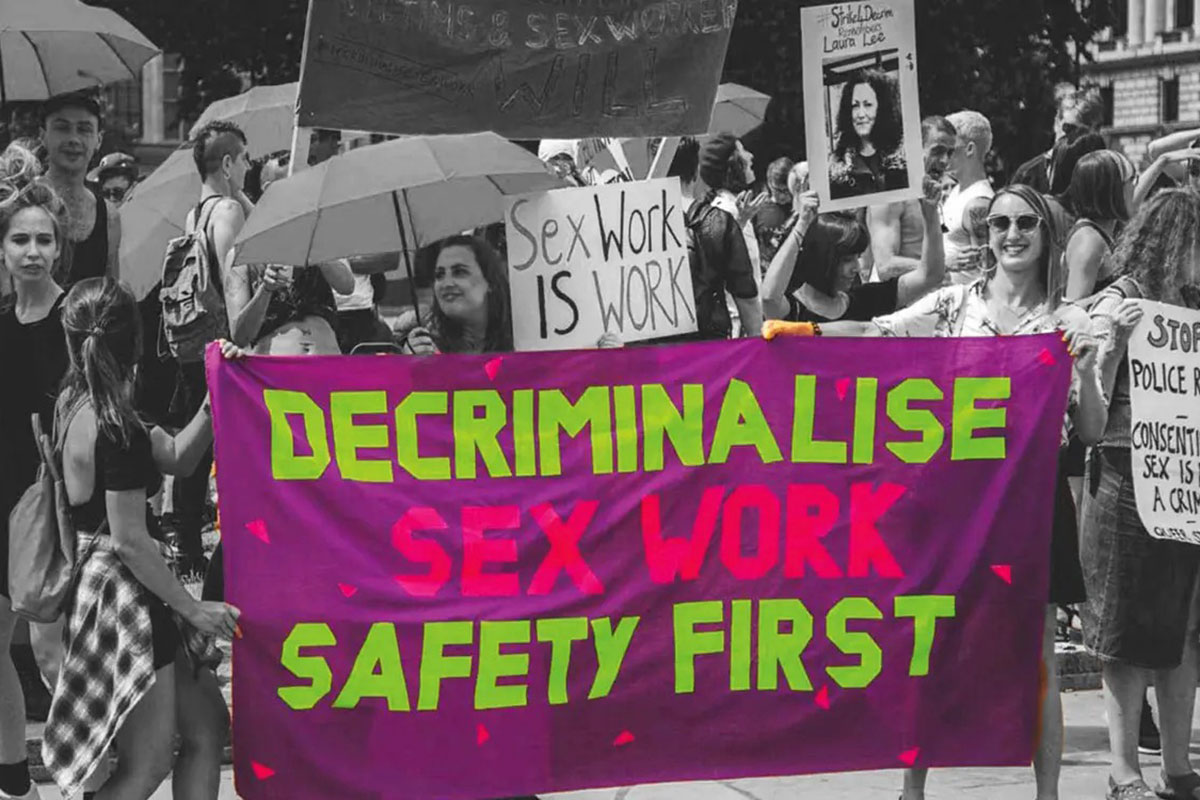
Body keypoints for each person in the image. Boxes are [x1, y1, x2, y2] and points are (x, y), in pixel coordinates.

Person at [767, 184, 1104, 800]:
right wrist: (805, 336)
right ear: (987, 234)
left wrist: (1084, 367)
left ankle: (1048, 795)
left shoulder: (1068, 320)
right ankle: (912, 790)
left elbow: (1090, 430)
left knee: (1036, 656)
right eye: (998, 223)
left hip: (1033, 498)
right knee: (935, 640)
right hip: (957, 495)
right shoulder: (955, 305)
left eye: (1025, 222)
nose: (1011, 234)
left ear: (1045, 233)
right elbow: (877, 334)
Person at [42, 278, 241, 800]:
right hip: (127, 597)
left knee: (206, 729)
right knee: (147, 764)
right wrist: (195, 611)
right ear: (135, 339)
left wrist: (216, 383)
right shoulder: (116, 426)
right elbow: (130, 539)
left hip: (119, 590)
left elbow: (178, 456)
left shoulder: (76, 404)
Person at [1080, 189, 1200, 800]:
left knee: (1183, 626)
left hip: (1186, 481)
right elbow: (1087, 411)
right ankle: (1124, 770)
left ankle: (1177, 767)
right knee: (1124, 628)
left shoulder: (1196, 307)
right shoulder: (1119, 301)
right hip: (1125, 473)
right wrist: (1113, 346)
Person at [0, 143, 70, 800]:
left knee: (52, 650)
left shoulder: (76, 319)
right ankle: (15, 781)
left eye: (43, 239)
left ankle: (85, 775)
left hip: (50, 502)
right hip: (1, 493)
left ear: (58, 247)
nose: (31, 250)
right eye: (19, 238)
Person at [169, 120, 254, 577]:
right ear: (227, 163)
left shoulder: (194, 214)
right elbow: (234, 287)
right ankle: (233, 552)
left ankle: (187, 548)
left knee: (195, 453)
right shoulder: (228, 213)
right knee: (237, 453)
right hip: (224, 348)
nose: (249, 166)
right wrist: (245, 344)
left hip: (190, 345)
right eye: (244, 159)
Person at [761, 171, 944, 324]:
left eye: (857, 256)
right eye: (846, 259)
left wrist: (930, 213)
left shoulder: (865, 300)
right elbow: (769, 298)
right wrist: (802, 224)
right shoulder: (792, 308)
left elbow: (930, 275)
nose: (856, 267)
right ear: (820, 258)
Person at [225, 151, 352, 352]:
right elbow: (240, 336)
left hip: (327, 365)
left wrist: (314, 249)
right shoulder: (243, 253)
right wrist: (265, 290)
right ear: (269, 191)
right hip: (276, 374)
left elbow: (347, 285)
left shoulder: (321, 235)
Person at [684, 133, 763, 340]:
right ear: (733, 164)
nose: (751, 156)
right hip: (738, 330)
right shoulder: (723, 215)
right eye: (743, 151)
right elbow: (736, 284)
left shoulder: (734, 209)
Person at [39, 92, 120, 287]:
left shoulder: (108, 216)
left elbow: (111, 294)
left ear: (98, 140)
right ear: (43, 136)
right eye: (62, 128)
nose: (73, 139)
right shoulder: (23, 201)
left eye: (84, 130)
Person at [865, 116, 957, 282]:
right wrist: (941, 265)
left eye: (950, 153)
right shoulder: (890, 195)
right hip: (899, 302)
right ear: (915, 149)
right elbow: (886, 266)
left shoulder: (931, 193)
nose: (945, 161)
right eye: (937, 151)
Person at [404, 235, 515, 355]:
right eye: (439, 275)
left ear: (490, 282)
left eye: (459, 272)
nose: (447, 284)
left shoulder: (524, 340)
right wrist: (411, 367)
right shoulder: (425, 346)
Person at [1061, 150, 1136, 301]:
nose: (1134, 187)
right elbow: (1073, 309)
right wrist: (1119, 291)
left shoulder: (1105, 229)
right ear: (1113, 190)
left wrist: (1162, 162)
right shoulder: (1089, 241)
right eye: (1132, 180)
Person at [829, 70, 908, 200]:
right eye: (855, 106)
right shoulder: (838, 166)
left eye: (868, 105)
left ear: (882, 108)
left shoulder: (902, 159)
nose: (860, 114)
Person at [1012, 84, 1105, 193]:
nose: (1077, 139)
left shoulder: (1107, 175)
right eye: (1069, 130)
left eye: (1085, 133)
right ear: (1057, 123)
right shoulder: (1027, 176)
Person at [942, 110, 995, 285]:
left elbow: (988, 270)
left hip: (968, 304)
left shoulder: (978, 204)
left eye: (950, 149)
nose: (943, 157)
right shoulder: (957, 191)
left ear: (970, 149)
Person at [751, 157, 795, 269]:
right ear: (769, 183)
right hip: (767, 268)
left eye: (786, 191)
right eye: (777, 190)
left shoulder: (800, 208)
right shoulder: (757, 206)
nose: (782, 196)